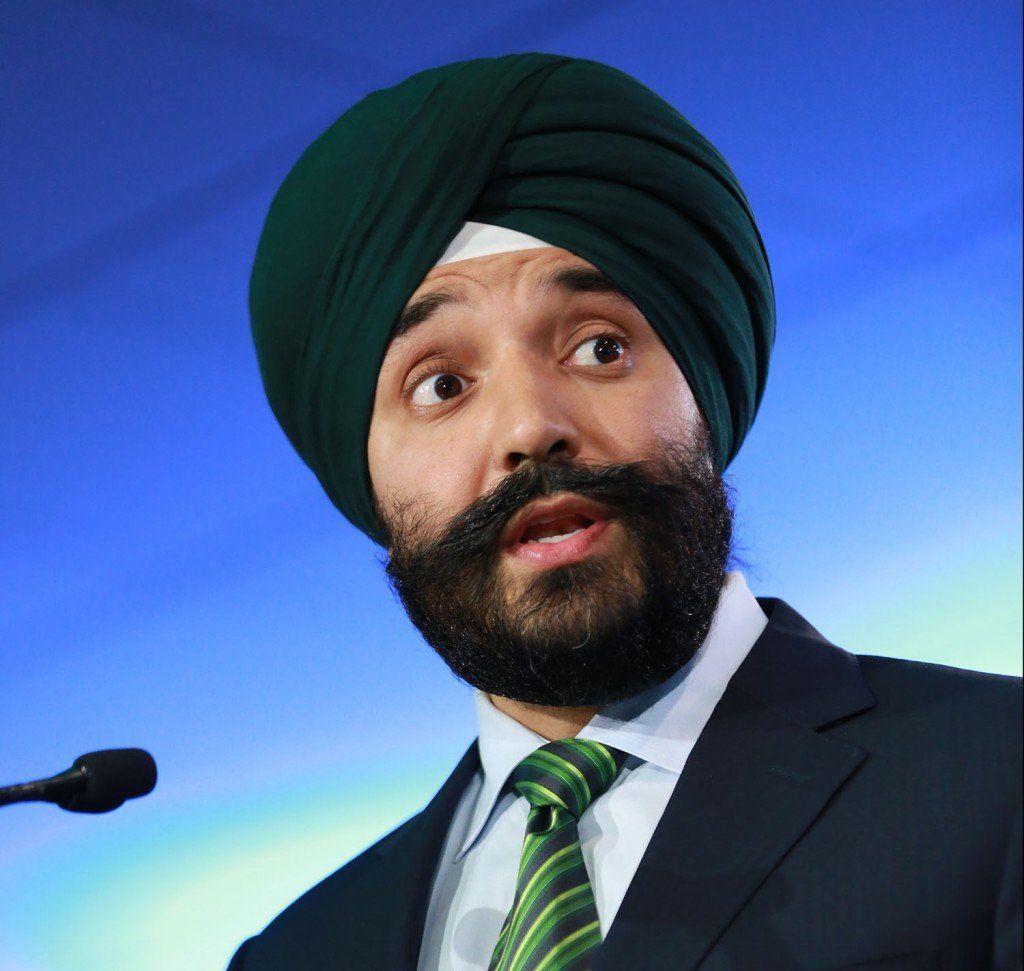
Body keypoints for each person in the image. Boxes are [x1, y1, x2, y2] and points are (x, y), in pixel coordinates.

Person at [228, 53, 1021, 970]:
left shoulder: (994, 778)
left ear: (703, 393)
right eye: (441, 385)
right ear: (363, 473)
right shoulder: (298, 952)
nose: (531, 426)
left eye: (599, 348)